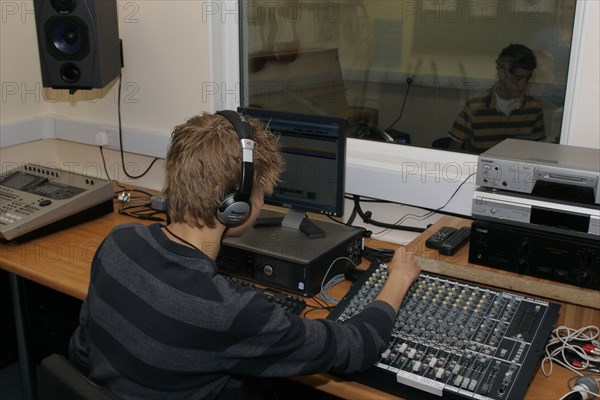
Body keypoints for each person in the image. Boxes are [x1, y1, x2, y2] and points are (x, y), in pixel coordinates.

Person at [68, 110, 421, 399]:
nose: (263, 202)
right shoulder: (230, 311)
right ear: (235, 207)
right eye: (262, 194)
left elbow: (81, 350)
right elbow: (355, 348)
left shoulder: (119, 240)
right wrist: (398, 280)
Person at [448, 43, 546, 153]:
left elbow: (538, 153)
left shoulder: (534, 108)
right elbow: (454, 149)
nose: (523, 85)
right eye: (518, 78)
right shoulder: (474, 106)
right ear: (501, 73)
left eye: (527, 79)